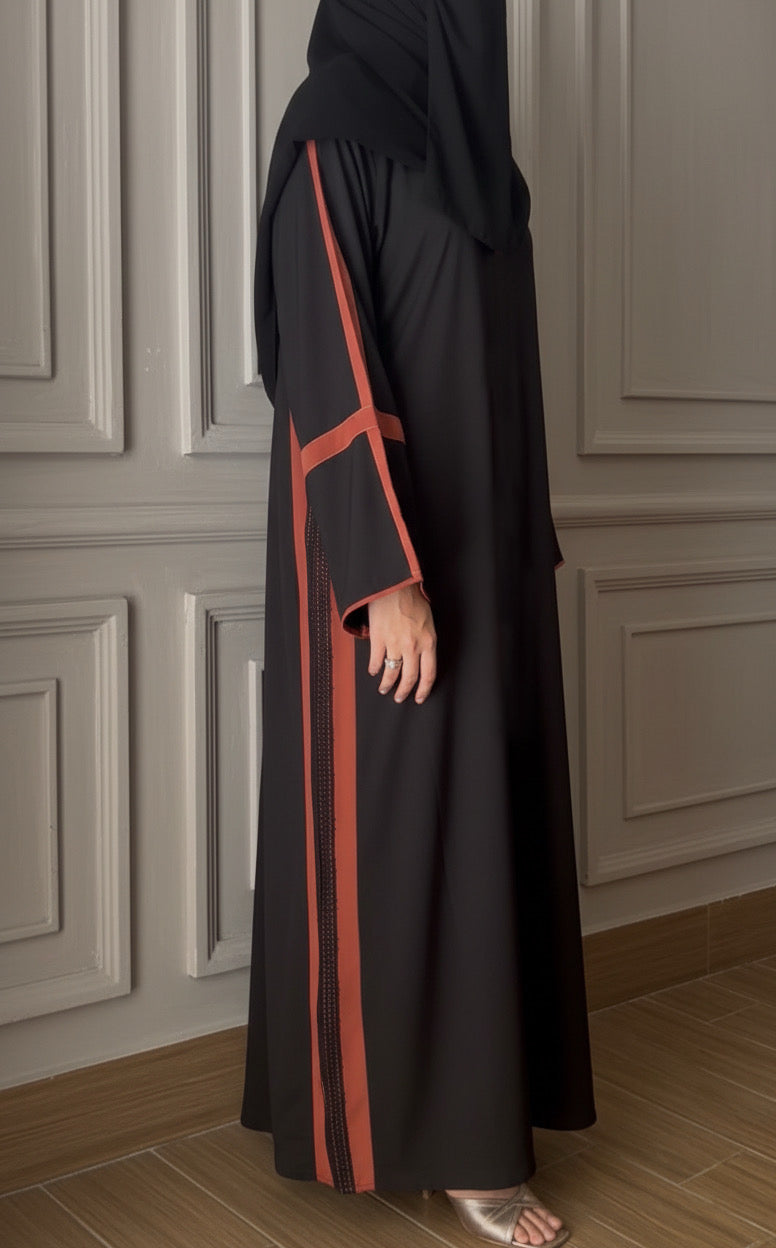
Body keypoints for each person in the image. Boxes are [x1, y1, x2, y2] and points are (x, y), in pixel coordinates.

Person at [240, 2, 597, 1244]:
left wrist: (516, 546)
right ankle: (421, 1138)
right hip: (384, 558)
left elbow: (505, 371)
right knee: (396, 848)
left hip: (485, 559)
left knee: (475, 848)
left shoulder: (483, 168)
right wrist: (386, 575)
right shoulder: (331, 130)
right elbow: (327, 355)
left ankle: (471, 1129)